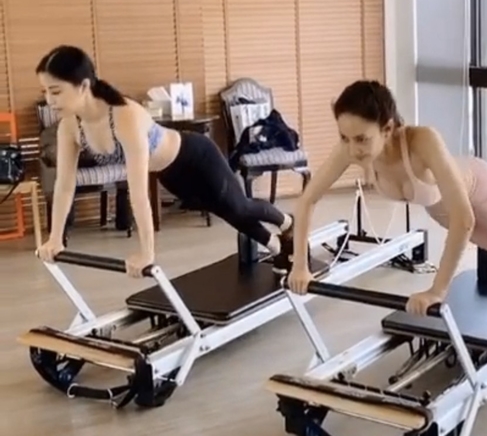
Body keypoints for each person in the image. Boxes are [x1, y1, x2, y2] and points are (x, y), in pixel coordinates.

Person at [286, 79, 487, 315]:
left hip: (477, 186)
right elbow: (308, 200)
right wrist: (300, 265)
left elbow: (464, 219)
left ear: (387, 128)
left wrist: (437, 291)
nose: (353, 149)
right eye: (344, 138)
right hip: (439, 206)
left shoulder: (422, 140)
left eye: (362, 139)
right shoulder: (350, 150)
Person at [35, 45, 294, 277]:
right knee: (226, 211)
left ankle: (288, 222)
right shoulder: (69, 127)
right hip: (171, 174)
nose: (49, 100)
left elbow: (138, 193)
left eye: (56, 91)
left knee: (239, 207)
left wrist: (147, 253)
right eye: (45, 91)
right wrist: (55, 238)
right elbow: (64, 185)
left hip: (196, 156)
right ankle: (277, 246)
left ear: (83, 86)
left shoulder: (124, 116)